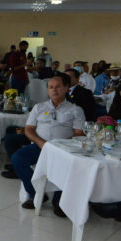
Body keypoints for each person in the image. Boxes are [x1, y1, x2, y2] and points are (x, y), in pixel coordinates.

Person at [11, 74, 85, 216]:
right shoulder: (39, 107)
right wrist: (40, 142)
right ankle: (36, 194)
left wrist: (61, 145)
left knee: (67, 166)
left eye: (58, 87)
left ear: (66, 88)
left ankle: (59, 201)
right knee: (17, 158)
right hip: (40, 146)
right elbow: (29, 129)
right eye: (50, 87)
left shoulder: (75, 110)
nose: (54, 90)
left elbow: (79, 133)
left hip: (64, 149)